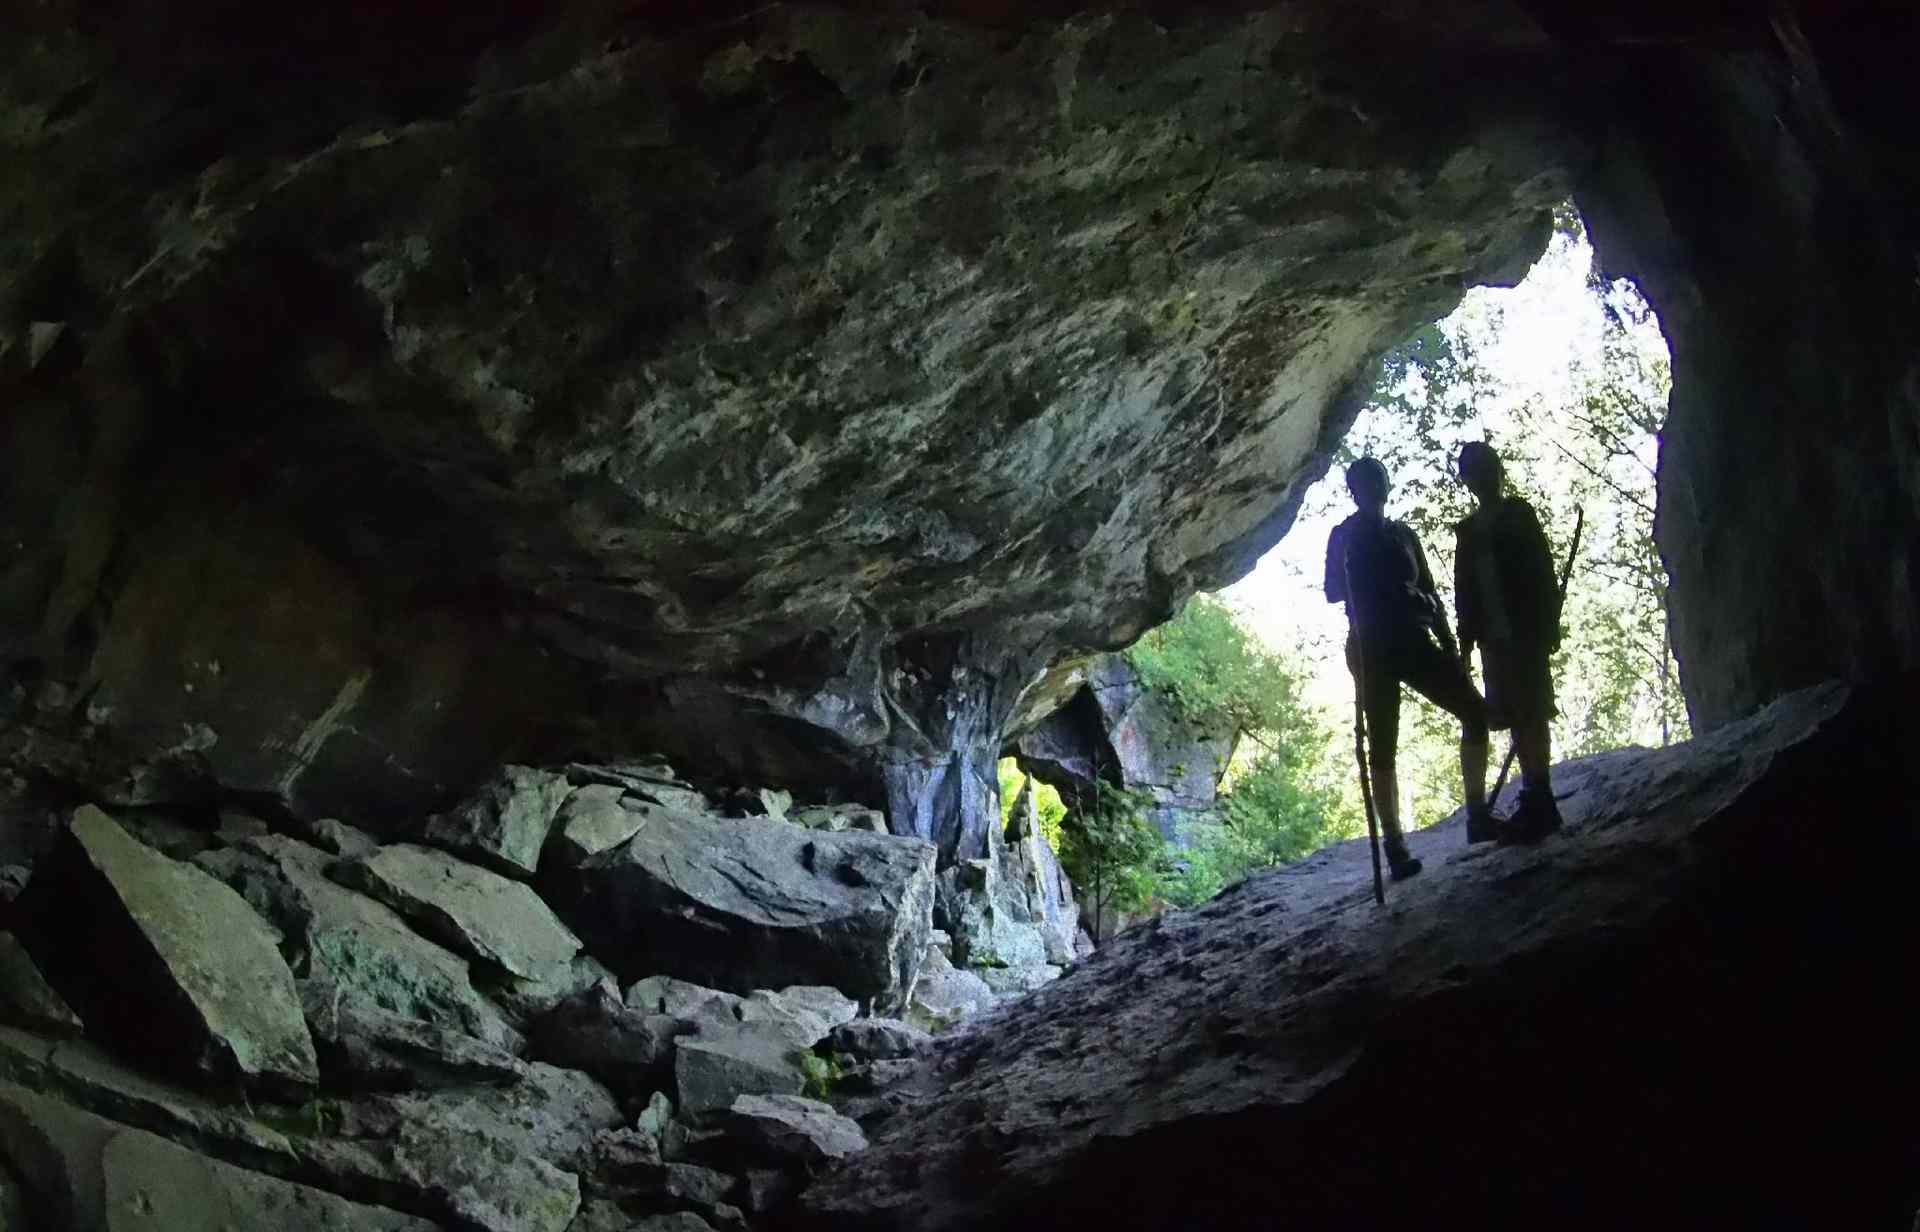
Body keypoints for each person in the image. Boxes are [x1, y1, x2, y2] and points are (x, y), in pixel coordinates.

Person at [1325, 457, 1491, 878]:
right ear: (1355, 490)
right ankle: (1395, 844)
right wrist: (1359, 570)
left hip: (1414, 639)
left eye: (1379, 479)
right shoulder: (1343, 535)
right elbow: (1331, 591)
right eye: (1367, 481)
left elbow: (1431, 592)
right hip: (1371, 646)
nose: (1375, 487)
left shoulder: (1403, 534)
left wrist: (1450, 644)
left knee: (1474, 711)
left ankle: (1477, 815)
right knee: (1383, 743)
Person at [1453, 441, 1562, 842]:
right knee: (1515, 712)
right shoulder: (1468, 532)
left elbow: (1542, 570)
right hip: (1494, 641)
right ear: (1468, 480)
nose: (1484, 477)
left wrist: (1549, 623)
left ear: (1497, 471)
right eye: (1475, 472)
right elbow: (1463, 593)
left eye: (1487, 468)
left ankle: (1540, 795)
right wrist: (1465, 644)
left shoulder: (1520, 515)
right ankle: (1536, 795)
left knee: (1532, 710)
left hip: (1525, 632)